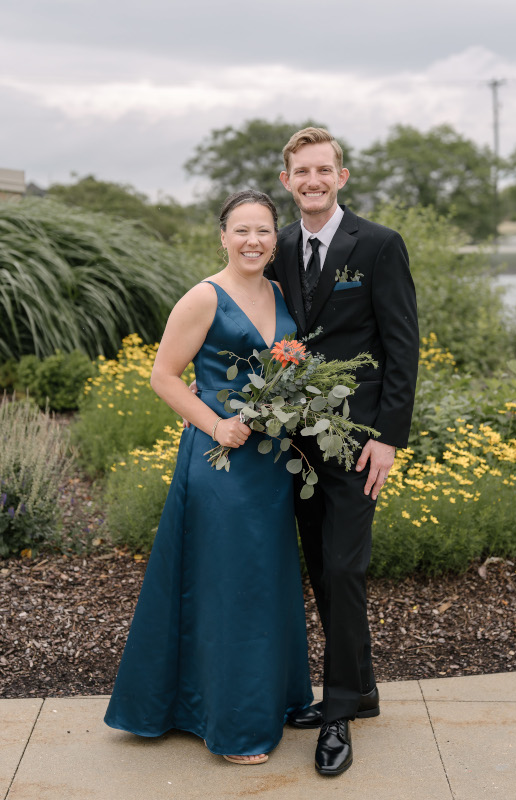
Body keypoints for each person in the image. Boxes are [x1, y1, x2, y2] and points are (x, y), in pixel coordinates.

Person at [104, 190, 313, 765]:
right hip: (220, 462)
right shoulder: (202, 297)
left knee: (264, 580)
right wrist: (217, 424)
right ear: (222, 236)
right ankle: (236, 727)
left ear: (277, 239)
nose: (252, 240)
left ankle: (278, 698)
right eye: (241, 230)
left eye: (264, 231)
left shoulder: (280, 292)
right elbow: (164, 376)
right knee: (230, 587)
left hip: (271, 464)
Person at [265, 127, 419, 776]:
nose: (312, 180)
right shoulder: (278, 247)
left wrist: (387, 437)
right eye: (301, 171)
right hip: (300, 449)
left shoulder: (378, 245)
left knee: (344, 572)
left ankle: (337, 716)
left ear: (341, 176)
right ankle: (361, 692)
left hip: (358, 446)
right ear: (286, 181)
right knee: (320, 572)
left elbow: (402, 346)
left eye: (322, 169)